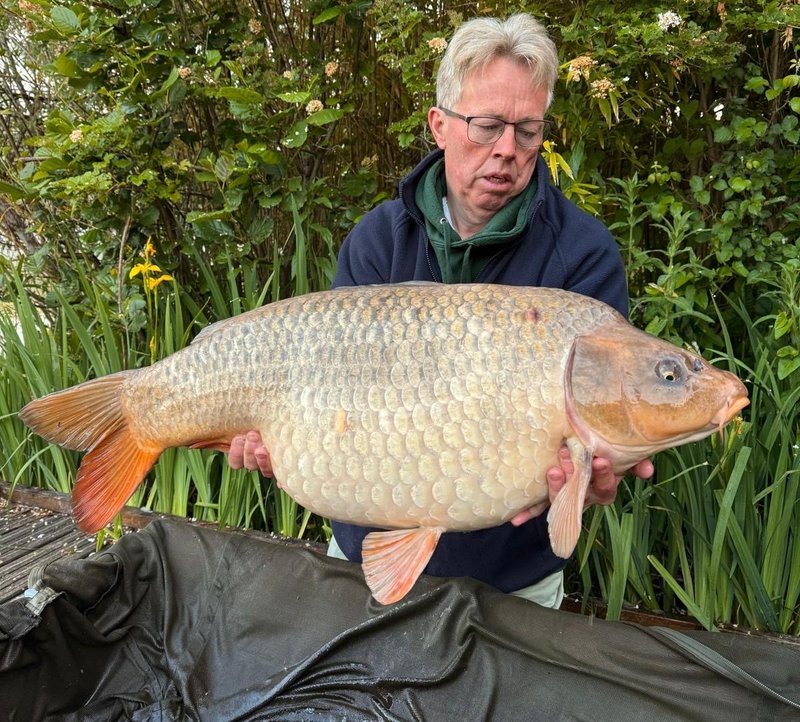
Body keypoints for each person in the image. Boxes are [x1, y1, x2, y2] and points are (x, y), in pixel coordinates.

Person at [227, 14, 653, 608]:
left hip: (513, 584)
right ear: (440, 126)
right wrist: (279, 442)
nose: (507, 150)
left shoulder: (583, 256)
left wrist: (591, 482)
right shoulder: (377, 241)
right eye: (487, 127)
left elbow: (599, 450)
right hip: (360, 557)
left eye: (527, 131)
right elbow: (327, 403)